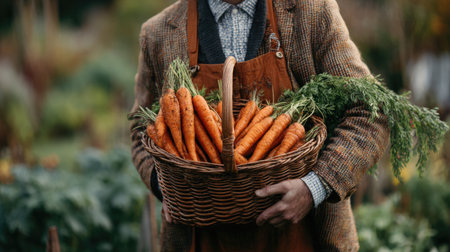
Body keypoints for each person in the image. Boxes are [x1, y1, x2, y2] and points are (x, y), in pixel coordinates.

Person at [129, 0, 389, 250]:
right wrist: (165, 186)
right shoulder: (158, 33)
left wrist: (315, 187)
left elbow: (370, 110)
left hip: (302, 235)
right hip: (199, 238)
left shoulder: (310, 11)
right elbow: (140, 129)